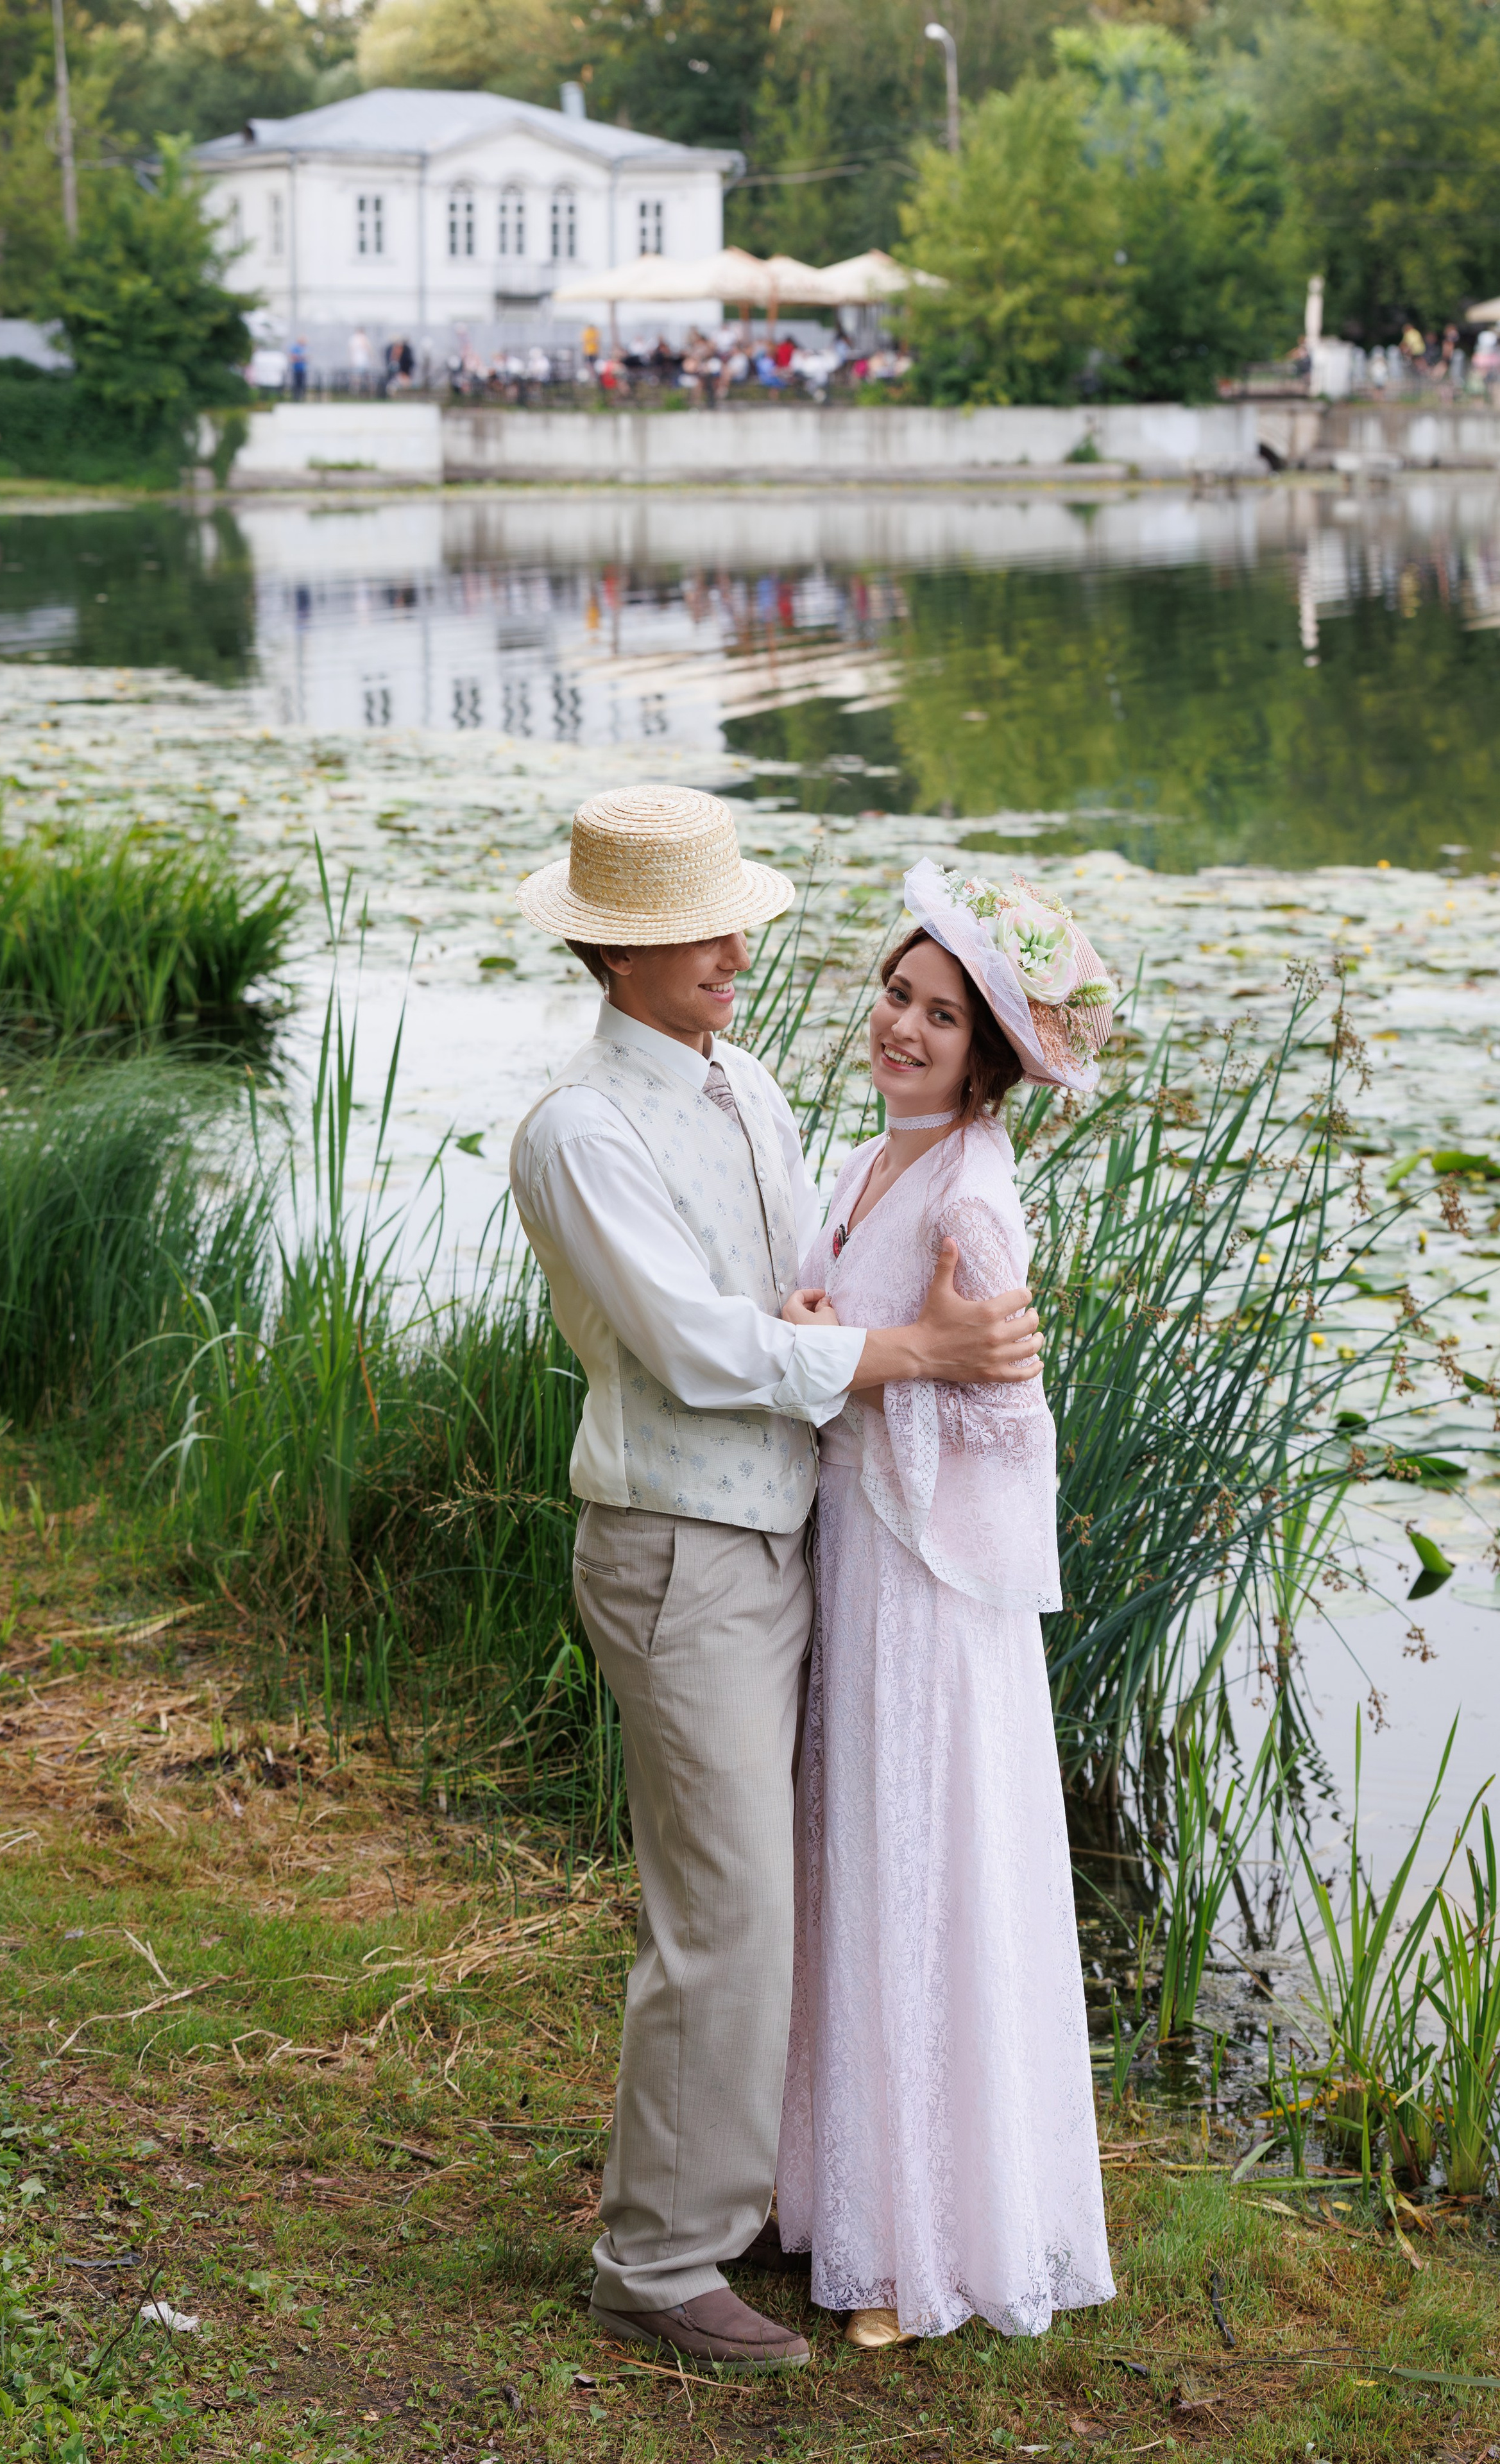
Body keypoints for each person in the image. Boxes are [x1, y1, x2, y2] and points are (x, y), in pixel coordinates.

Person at [509, 787, 1046, 2374]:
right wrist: (905, 1350)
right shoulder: (575, 1129)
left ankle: (730, 2196)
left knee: (769, 1897)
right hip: (676, 1549)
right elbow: (684, 1346)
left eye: (737, 917)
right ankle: (656, 2260)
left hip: (789, 1537)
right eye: (703, 930)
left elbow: (760, 1295)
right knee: (725, 1910)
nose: (738, 949)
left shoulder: (738, 1083)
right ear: (618, 952)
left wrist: (817, 1303)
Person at [774, 859, 1118, 2349]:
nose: (899, 1026)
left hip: (924, 1578)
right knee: (846, 1853)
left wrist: (868, 1361)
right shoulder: (868, 1156)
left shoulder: (975, 1190)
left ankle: (922, 2242)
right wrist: (819, 1331)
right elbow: (856, 1327)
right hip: (849, 1545)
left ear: (985, 1052)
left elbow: (1003, 1423)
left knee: (917, 1858)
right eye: (893, 994)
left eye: (936, 1012)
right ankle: (829, 2183)